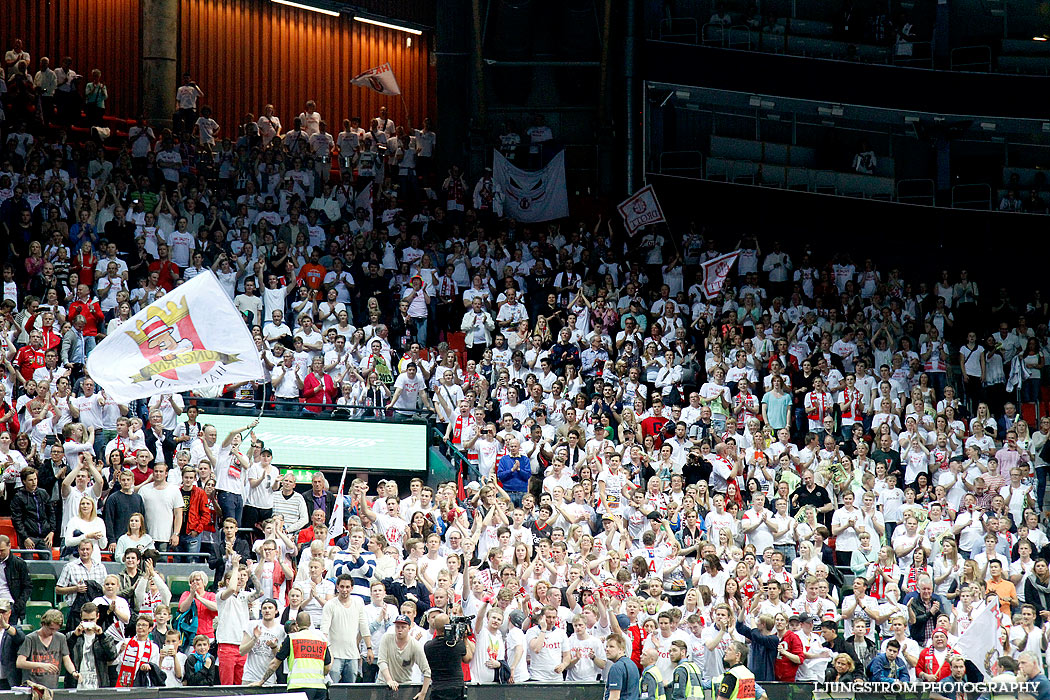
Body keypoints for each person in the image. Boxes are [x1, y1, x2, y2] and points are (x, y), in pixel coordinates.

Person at [252, 611, 331, 700]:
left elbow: (275, 663)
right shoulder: (321, 640)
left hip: (298, 687)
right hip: (319, 688)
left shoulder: (292, 638)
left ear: (297, 624)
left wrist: (261, 681)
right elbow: (327, 667)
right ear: (309, 624)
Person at [321, 574, 373, 684]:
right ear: (337, 587)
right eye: (342, 587)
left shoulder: (358, 602)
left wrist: (369, 648)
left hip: (353, 655)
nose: (345, 590)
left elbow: (364, 626)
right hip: (334, 655)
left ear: (352, 588)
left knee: (350, 690)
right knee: (333, 689)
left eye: (347, 587)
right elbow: (324, 630)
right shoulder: (330, 605)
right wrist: (327, 654)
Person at [16, 608, 77, 689]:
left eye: (56, 629)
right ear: (43, 624)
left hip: (51, 688)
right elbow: (20, 663)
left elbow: (67, 659)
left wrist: (73, 672)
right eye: (51, 629)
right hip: (32, 687)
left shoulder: (61, 638)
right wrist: (41, 665)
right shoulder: (30, 639)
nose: (53, 632)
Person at [378, 614, 432, 697]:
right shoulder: (386, 638)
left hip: (404, 686)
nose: (400, 630)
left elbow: (427, 671)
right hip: (383, 684)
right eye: (397, 627)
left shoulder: (415, 645)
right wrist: (389, 680)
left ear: (409, 628)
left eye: (403, 627)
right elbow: (382, 661)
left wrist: (423, 693)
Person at [424, 613, 473, 700]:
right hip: (456, 689)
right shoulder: (457, 644)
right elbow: (467, 658)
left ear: (434, 625)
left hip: (438, 689)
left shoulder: (428, 646)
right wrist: (465, 639)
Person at [604, 633, 640, 700]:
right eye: (606, 646)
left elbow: (614, 697)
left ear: (621, 650)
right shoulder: (632, 664)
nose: (607, 649)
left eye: (611, 646)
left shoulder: (616, 668)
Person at [0, 599, 25, 689]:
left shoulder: (14, 630)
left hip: (7, 681)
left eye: (3, 612)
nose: (1, 615)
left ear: (9, 613)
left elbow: (20, 638)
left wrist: (5, 626)